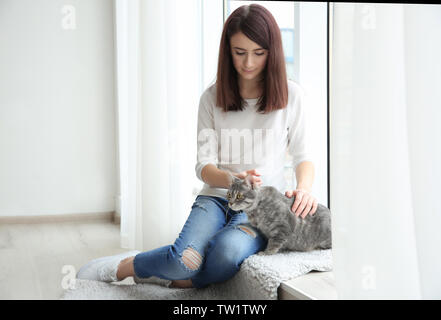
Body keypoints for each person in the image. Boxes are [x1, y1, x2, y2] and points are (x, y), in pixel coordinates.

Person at [76, 4, 318, 289]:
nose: (249, 63)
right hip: (215, 198)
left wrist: (303, 189)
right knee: (183, 260)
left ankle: (177, 281)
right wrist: (233, 180)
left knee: (225, 252)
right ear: (227, 51)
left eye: (259, 53)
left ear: (272, 52)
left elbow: (304, 156)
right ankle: (127, 266)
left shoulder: (293, 96)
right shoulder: (211, 98)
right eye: (240, 53)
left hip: (261, 207)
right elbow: (203, 167)